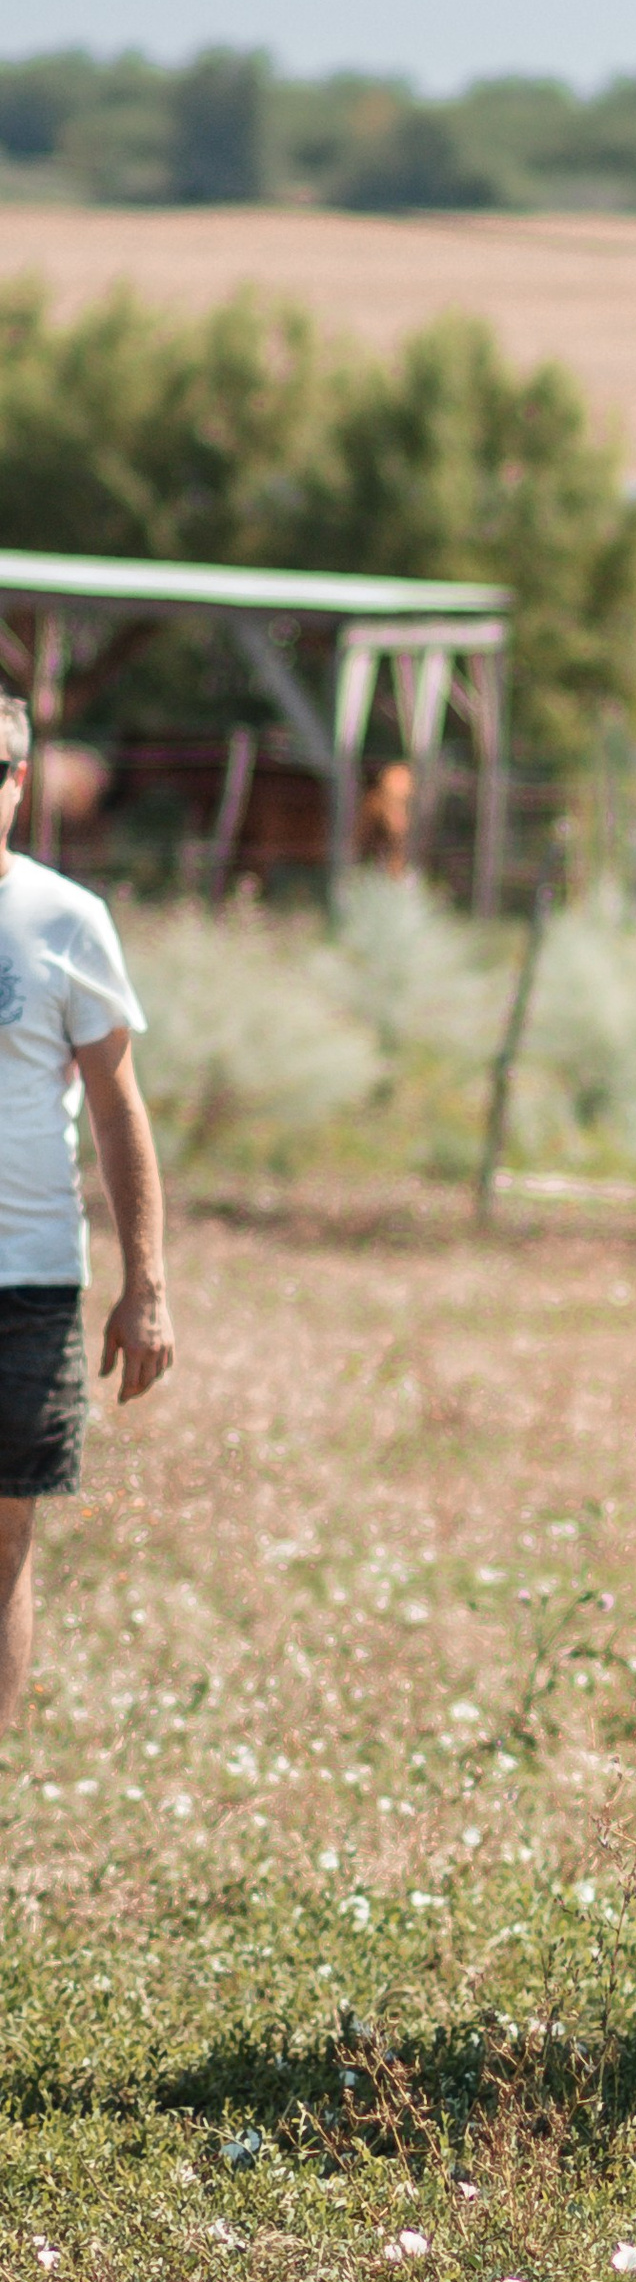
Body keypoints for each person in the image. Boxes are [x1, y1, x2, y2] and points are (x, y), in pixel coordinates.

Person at [0, 698, 174, 1727]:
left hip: (27, 1276)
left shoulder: (65, 921)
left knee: (6, 1534)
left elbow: (118, 1107)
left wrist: (144, 1286)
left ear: (20, 780)